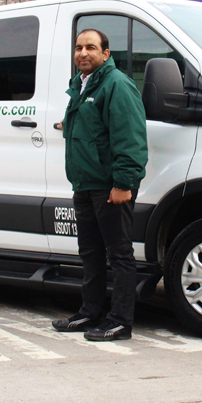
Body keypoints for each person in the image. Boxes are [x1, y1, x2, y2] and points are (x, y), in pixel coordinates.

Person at [52, 29, 148, 342]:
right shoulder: (81, 85)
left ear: (105, 53)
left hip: (109, 187)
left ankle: (120, 321)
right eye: (79, 48)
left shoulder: (116, 84)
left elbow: (129, 138)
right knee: (90, 253)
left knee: (119, 255)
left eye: (90, 47)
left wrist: (123, 182)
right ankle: (89, 312)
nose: (83, 53)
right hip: (84, 184)